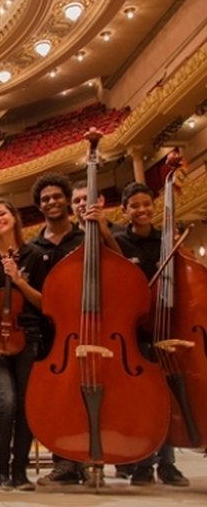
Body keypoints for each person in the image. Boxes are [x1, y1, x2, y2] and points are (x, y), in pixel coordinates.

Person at [115, 182, 189, 487]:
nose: (142, 210)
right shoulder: (120, 242)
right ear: (125, 210)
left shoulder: (169, 240)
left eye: (147, 204)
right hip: (136, 329)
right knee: (145, 400)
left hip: (168, 325)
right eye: (135, 205)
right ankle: (143, 464)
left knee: (169, 397)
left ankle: (167, 464)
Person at [29, 173, 94, 486]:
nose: (51, 202)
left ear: (68, 200)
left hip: (89, 327)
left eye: (56, 197)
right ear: (39, 206)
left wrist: (102, 231)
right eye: (45, 199)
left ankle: (89, 457)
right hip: (50, 333)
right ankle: (65, 461)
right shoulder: (33, 246)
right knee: (59, 399)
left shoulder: (86, 239)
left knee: (89, 393)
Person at [0, 198, 48, 491]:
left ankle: (19, 470)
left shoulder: (35, 254)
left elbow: (45, 303)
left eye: (2, 213)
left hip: (27, 335)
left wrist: (18, 281)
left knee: (26, 406)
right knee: (4, 402)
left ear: (14, 216)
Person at [70, 181, 121, 253]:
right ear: (72, 207)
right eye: (77, 201)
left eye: (87, 198)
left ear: (101, 200)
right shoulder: (68, 239)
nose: (82, 203)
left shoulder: (121, 232)